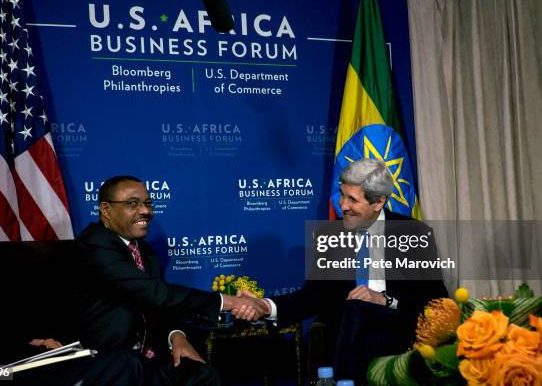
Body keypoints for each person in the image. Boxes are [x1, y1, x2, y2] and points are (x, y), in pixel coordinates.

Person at [239, 159, 448, 383]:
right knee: (355, 310)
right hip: (350, 333)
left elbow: (435, 299)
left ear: (378, 202)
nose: (343, 205)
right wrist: (265, 305)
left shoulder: (413, 233)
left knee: (359, 310)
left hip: (399, 331)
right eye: (342, 195)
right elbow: (311, 296)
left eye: (352, 199)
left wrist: (384, 299)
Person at [71, 175, 266, 385]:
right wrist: (229, 301)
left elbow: (161, 306)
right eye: (132, 203)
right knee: (129, 365)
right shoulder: (93, 245)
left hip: (149, 360)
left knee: (202, 374)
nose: (146, 211)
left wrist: (177, 336)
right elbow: (157, 293)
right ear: (106, 210)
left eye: (147, 203)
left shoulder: (145, 251)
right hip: (108, 364)